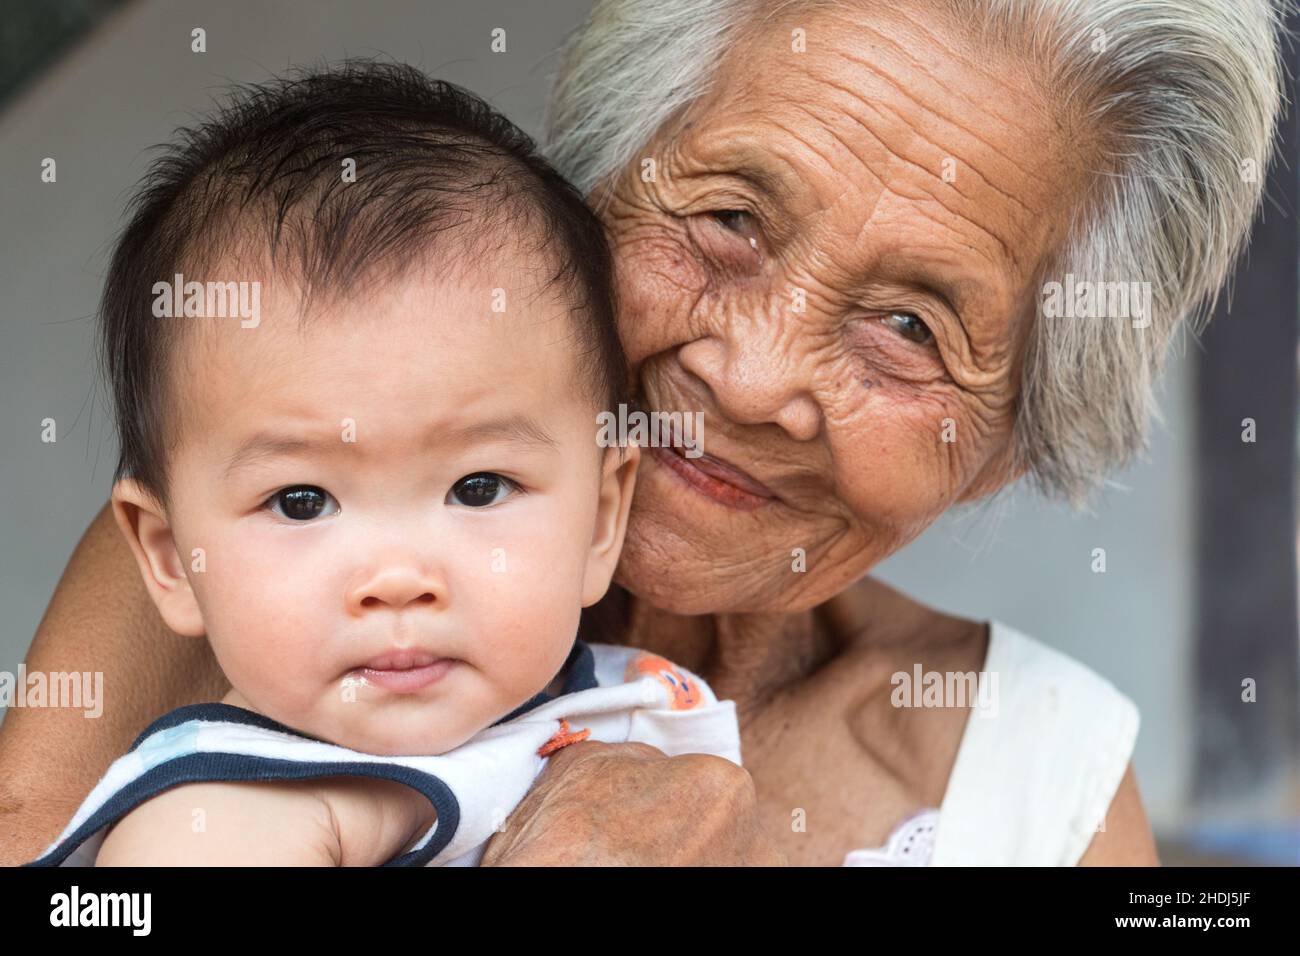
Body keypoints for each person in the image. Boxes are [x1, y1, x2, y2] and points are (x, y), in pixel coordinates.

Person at [2, 0, 1286, 866]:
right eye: (729, 219)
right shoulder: (281, 552)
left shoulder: (1042, 778)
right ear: (593, 195)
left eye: (909, 323)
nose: (753, 377)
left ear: (1015, 437)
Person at [23, 64, 740, 867]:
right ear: (169, 559)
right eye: (301, 501)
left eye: (478, 488)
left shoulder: (595, 698)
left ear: (603, 518)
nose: (398, 579)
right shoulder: (225, 815)